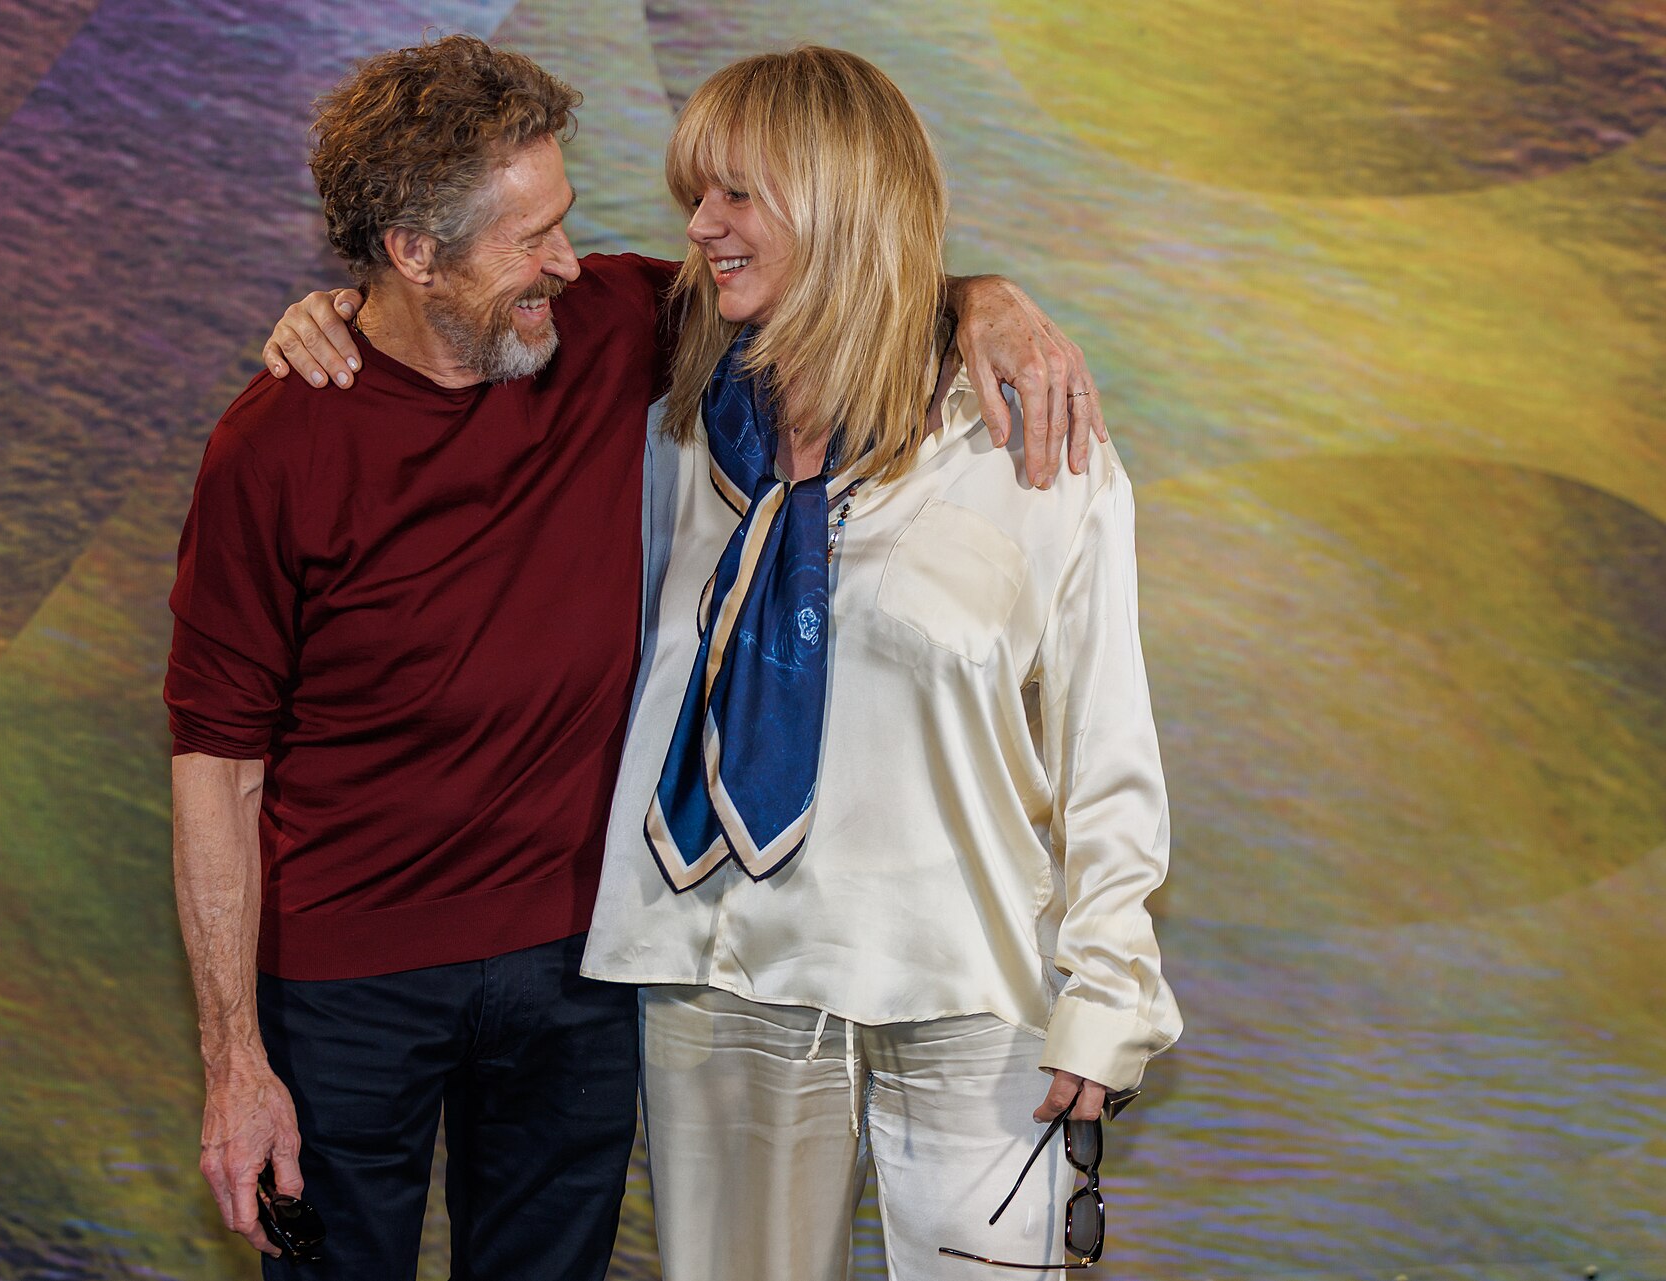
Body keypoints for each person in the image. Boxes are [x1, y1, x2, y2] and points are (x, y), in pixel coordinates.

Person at [174, 34, 1104, 1281]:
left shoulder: (605, 326)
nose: (571, 259)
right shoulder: (274, 446)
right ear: (412, 253)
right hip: (349, 983)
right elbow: (217, 768)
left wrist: (980, 296)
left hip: (582, 964)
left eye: (566, 222)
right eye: (530, 238)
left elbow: (825, 271)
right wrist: (236, 1062)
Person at [576, 47, 1182, 1280]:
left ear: (842, 198)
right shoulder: (677, 425)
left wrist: (1107, 992)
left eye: (736, 195)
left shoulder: (1028, 439)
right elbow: (466, 314)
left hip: (967, 980)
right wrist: (339, 315)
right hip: (718, 964)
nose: (700, 226)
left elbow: (1106, 744)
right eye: (696, 195)